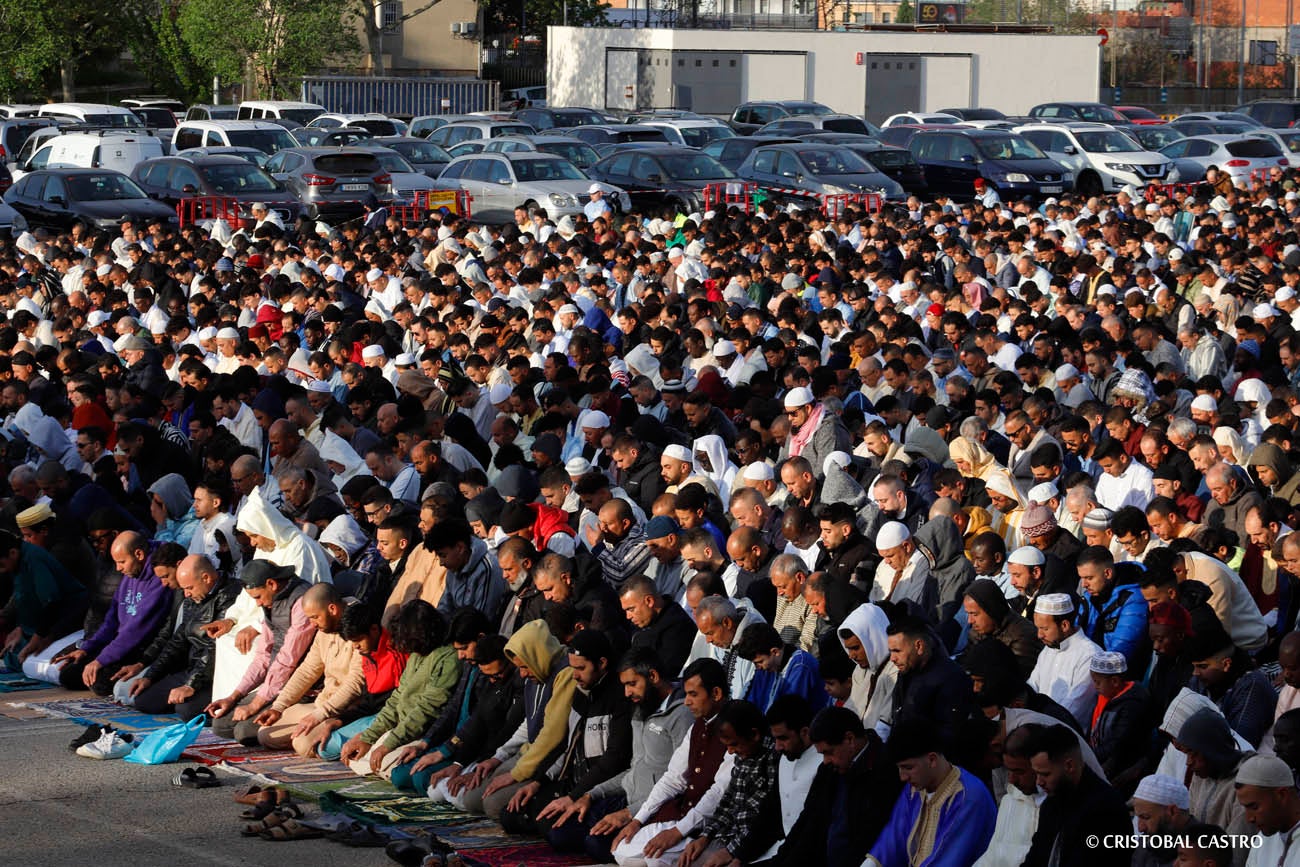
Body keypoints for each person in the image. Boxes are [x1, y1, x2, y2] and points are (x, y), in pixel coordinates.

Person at [569, 648, 693, 865]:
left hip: (655, 808)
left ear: (653, 677)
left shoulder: (682, 714)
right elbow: (634, 769)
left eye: (632, 684)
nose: (627, 693)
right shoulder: (641, 708)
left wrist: (631, 814)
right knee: (562, 831)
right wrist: (592, 794)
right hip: (627, 797)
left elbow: (679, 782)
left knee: (595, 844)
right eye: (625, 685)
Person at [611, 658, 734, 867]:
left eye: (693, 695)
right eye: (686, 694)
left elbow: (719, 792)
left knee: (656, 860)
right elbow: (673, 778)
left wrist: (677, 832)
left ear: (716, 694)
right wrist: (638, 820)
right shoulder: (697, 726)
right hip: (683, 816)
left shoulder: (734, 726)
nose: (686, 702)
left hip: (713, 827)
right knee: (622, 850)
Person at [338, 600, 460, 778]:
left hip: (424, 734)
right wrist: (368, 737)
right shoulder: (417, 655)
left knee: (395, 771)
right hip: (401, 729)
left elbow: (427, 710)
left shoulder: (448, 658)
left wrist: (389, 744)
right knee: (359, 758)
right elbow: (396, 700)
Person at [250, 583, 365, 755]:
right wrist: (278, 707)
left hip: (348, 710)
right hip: (323, 703)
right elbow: (308, 670)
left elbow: (355, 684)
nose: (312, 624)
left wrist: (319, 716)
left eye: (315, 617)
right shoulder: (326, 628)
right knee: (265, 734)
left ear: (332, 609)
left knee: (302, 744)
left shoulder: (359, 625)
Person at [864, 720, 997, 867]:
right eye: (899, 768)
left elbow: (950, 858)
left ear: (932, 759)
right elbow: (894, 837)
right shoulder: (915, 788)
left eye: (908, 767)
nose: (903, 777)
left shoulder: (969, 796)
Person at [52, 531, 171, 694]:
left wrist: (101, 660)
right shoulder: (132, 571)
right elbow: (112, 619)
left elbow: (136, 630)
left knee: (100, 682)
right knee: (69, 675)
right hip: (121, 643)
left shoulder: (158, 577)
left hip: (143, 647)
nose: (118, 568)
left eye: (122, 562)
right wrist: (87, 648)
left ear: (139, 554)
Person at [130, 555, 242, 719]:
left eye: (189, 588)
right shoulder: (193, 598)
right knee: (144, 700)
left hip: (217, 673)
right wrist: (150, 675)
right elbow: (177, 641)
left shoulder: (231, 595)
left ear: (206, 578)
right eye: (184, 589)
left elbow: (214, 647)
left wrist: (191, 685)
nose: (186, 594)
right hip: (193, 669)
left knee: (186, 710)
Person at [1022, 723, 1133, 867]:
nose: (1039, 782)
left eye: (1045, 774)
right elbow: (1036, 858)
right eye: (1036, 774)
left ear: (1069, 766)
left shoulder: (1105, 809)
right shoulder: (1052, 803)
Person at [1028, 593, 1104, 730]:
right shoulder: (1048, 650)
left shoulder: (1090, 655)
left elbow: (1073, 710)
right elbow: (1032, 689)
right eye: (1037, 628)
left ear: (1064, 625)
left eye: (1044, 629)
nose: (1039, 635)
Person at [735, 622, 827, 713]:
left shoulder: (801, 666)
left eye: (760, 662)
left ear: (775, 652)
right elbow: (752, 703)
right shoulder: (764, 669)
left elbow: (790, 712)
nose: (758, 667)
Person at [619, 573, 696, 676]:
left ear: (649, 601)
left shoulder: (679, 628)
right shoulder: (642, 624)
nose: (628, 616)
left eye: (631, 609)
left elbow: (666, 675)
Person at [1234, 754, 1300, 867]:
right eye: (1246, 808)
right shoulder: (1262, 839)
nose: (1249, 818)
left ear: (1282, 794)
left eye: (1254, 807)